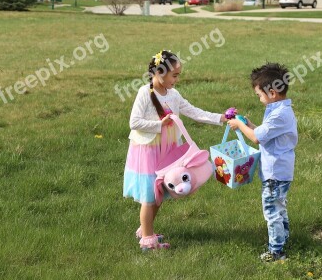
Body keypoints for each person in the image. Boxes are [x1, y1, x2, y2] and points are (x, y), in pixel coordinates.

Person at [123, 50, 226, 251]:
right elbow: (134, 122)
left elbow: (193, 112)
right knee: (149, 195)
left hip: (168, 149)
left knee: (159, 191)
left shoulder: (174, 95)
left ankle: (147, 228)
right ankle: (147, 240)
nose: (177, 79)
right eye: (175, 75)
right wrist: (160, 124)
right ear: (160, 72)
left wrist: (220, 118)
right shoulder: (145, 93)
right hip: (148, 150)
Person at [228, 63, 298, 262]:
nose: (259, 98)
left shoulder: (279, 115)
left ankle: (276, 252)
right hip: (279, 171)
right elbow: (265, 133)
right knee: (279, 207)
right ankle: (283, 240)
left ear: (272, 93)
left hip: (275, 173)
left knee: (272, 211)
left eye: (259, 94)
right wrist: (250, 124)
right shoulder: (279, 110)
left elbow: (257, 138)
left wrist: (241, 125)